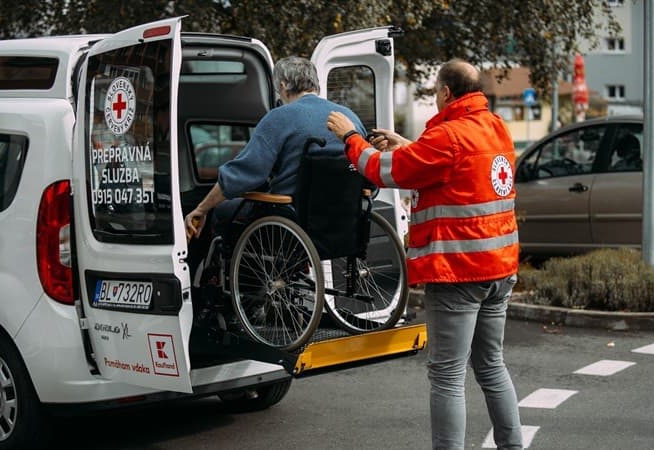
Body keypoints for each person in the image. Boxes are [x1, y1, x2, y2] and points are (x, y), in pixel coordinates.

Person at [326, 59, 522, 450]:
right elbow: (454, 169)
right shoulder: (495, 128)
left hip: (459, 272)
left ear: (446, 93)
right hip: (499, 269)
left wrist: (350, 137)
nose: (434, 97)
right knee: (491, 366)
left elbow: (382, 171)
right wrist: (408, 145)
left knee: (447, 375)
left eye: (435, 91)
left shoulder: (448, 136)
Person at [184, 56, 366, 241]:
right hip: (342, 215)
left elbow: (245, 172)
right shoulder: (349, 117)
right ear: (314, 83)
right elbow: (365, 163)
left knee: (223, 210)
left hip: (290, 215)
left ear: (283, 85)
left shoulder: (279, 117)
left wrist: (201, 208)